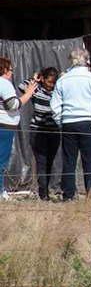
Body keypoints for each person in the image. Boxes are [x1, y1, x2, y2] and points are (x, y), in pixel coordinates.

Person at [50, 49, 91, 201]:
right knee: (90, 160)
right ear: (87, 60)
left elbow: (54, 105)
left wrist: (60, 121)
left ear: (71, 61)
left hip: (68, 122)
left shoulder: (63, 79)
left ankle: (68, 195)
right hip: (87, 121)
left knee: (69, 160)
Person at [18, 67, 60, 200]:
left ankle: (47, 188)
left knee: (49, 162)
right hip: (38, 131)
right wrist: (34, 79)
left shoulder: (57, 93)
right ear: (43, 79)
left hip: (54, 131)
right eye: (48, 82)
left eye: (53, 82)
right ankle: (43, 193)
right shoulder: (36, 90)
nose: (50, 85)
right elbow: (22, 85)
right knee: (41, 161)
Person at [0, 57, 36, 200]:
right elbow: (12, 105)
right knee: (1, 160)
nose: (12, 72)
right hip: (4, 126)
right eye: (10, 69)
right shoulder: (4, 84)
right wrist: (28, 94)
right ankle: (0, 191)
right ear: (4, 70)